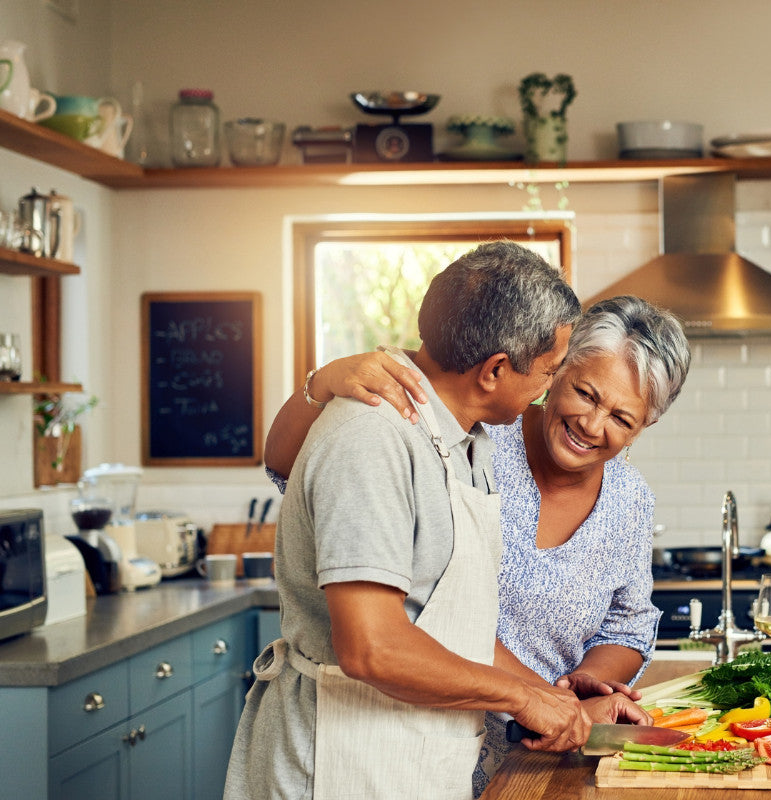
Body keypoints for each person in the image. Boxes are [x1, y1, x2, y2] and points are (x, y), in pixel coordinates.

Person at [224, 241, 627, 800]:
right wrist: (520, 699)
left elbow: (454, 629)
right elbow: (373, 648)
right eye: (550, 371)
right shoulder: (371, 438)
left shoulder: (466, 444)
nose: (549, 391)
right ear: (494, 371)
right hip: (339, 762)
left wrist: (562, 704)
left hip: (411, 754)